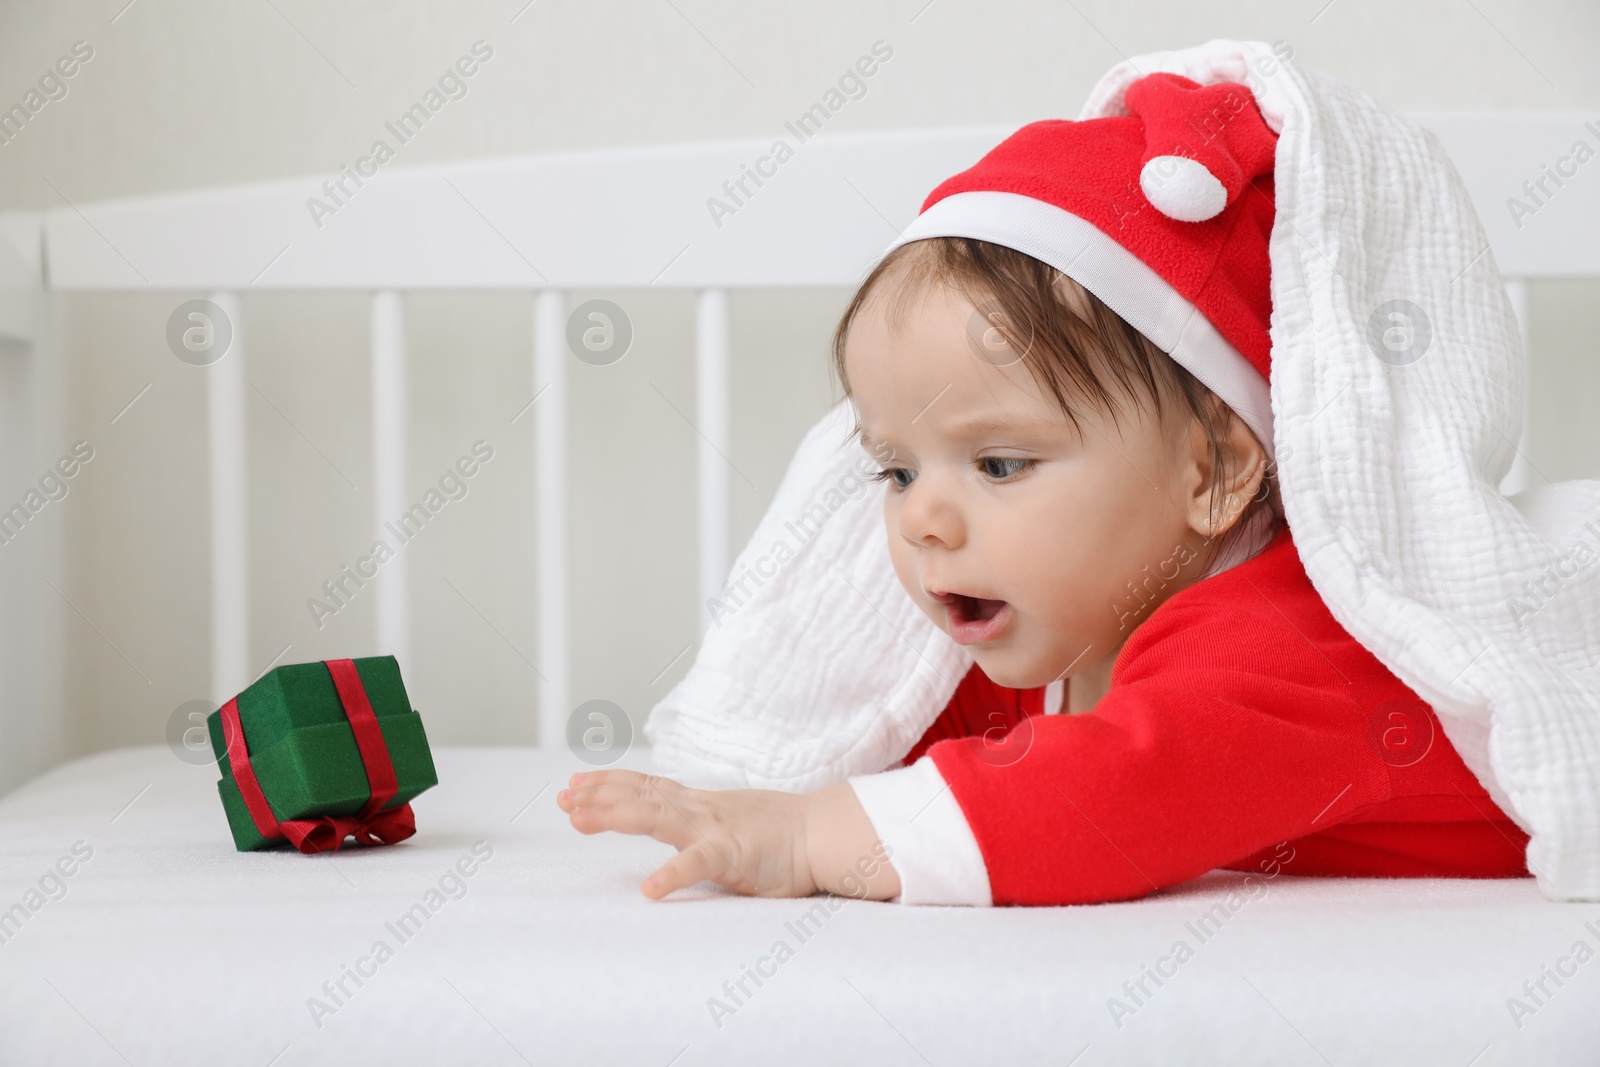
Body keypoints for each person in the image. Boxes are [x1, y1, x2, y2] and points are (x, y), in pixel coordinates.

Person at [556, 71, 1530, 906]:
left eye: (998, 464)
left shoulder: (1291, 642)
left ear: (1215, 470)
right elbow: (935, 750)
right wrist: (765, 770)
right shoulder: (1059, 626)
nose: (923, 519)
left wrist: (810, 835)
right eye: (895, 469)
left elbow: (1109, 797)